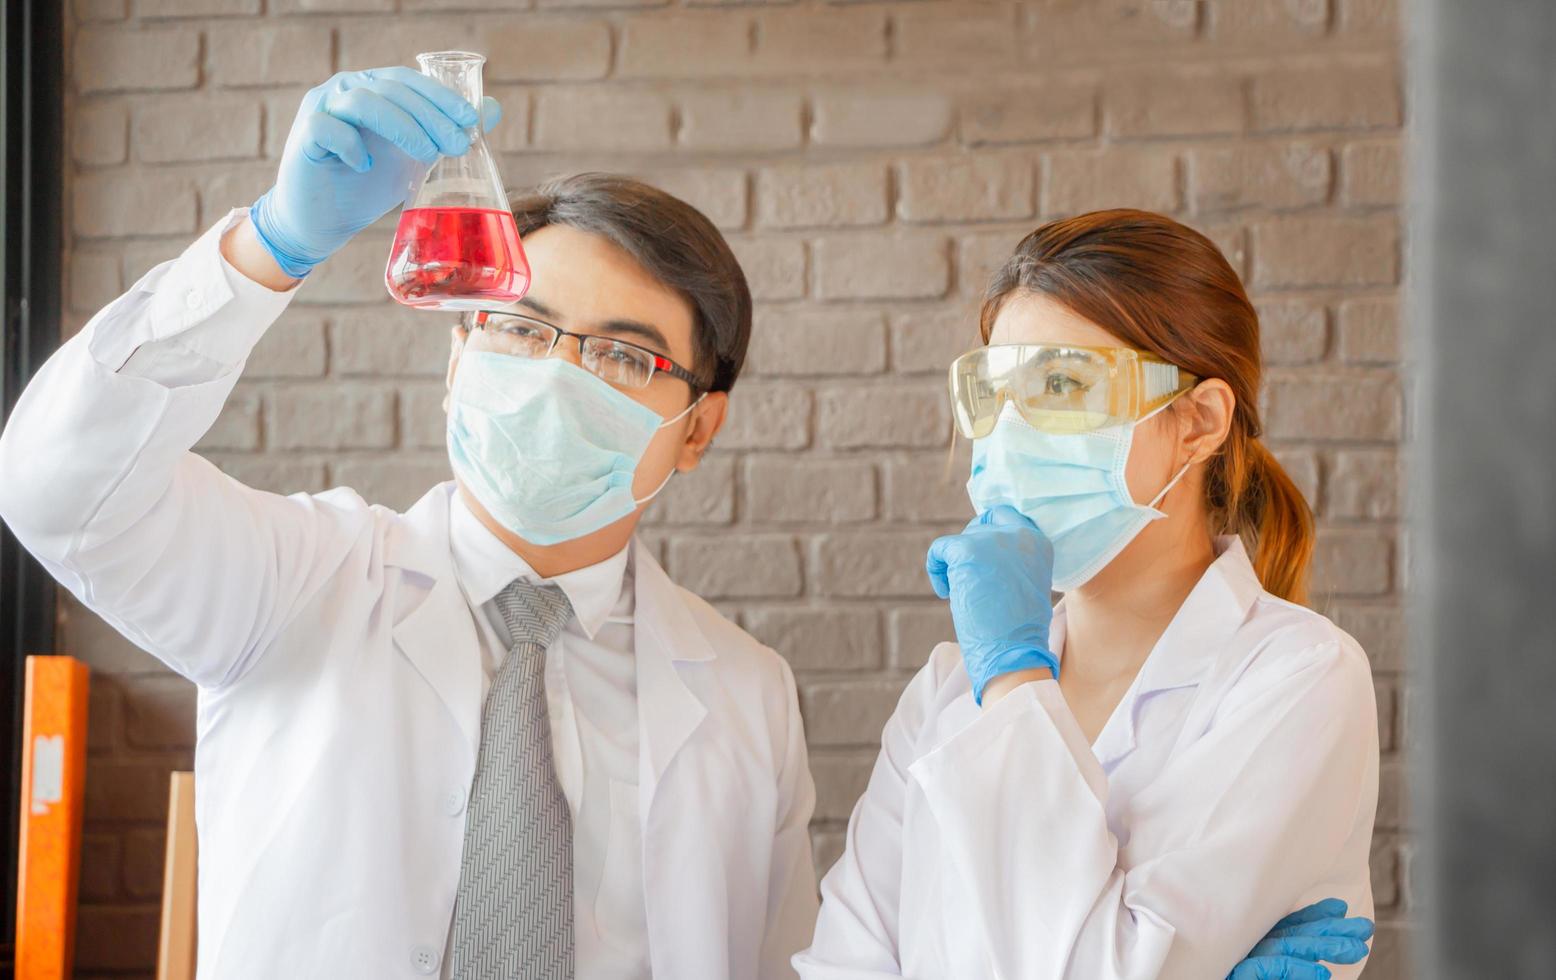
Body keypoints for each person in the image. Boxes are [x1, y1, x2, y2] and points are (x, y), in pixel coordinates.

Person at [0, 69, 818, 978]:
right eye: (519, 329)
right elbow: (55, 485)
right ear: (457, 356)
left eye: (625, 355)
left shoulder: (750, 696)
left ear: (698, 428)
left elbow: (777, 958)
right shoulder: (296, 581)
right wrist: (271, 242)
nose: (557, 377)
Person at [794, 210, 1380, 979]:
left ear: (1198, 421)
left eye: (1062, 384)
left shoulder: (1299, 677)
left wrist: (1012, 678)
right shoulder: (944, 696)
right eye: (994, 393)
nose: (1010, 434)